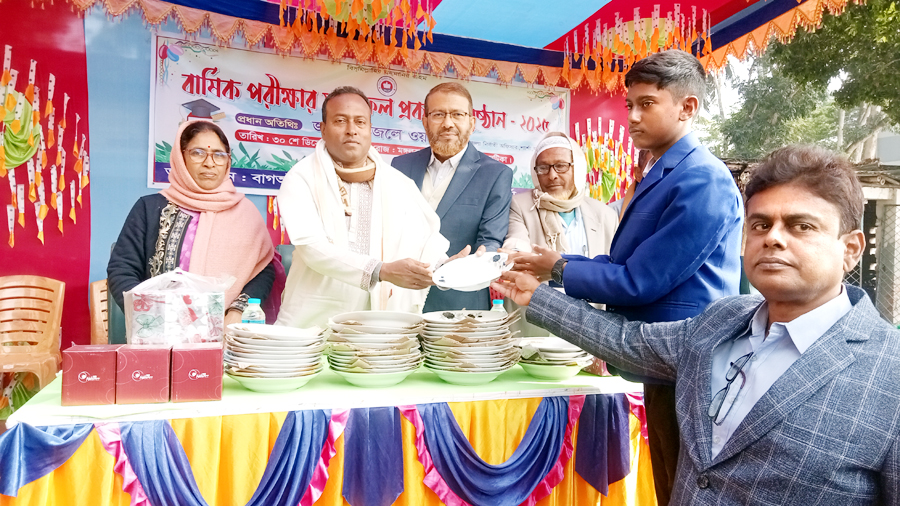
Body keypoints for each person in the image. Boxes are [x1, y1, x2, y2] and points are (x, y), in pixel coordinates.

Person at [494, 144, 900, 505]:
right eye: (760, 225)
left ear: (850, 250)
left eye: (801, 226)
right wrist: (537, 296)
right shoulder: (724, 321)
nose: (773, 238)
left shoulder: (889, 372)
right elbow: (626, 340)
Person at [507, 49, 744, 504]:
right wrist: (552, 263)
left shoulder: (701, 180)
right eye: (628, 105)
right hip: (661, 362)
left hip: (689, 364)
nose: (632, 117)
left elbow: (640, 281)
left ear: (687, 107)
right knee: (669, 483)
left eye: (647, 104)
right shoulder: (663, 171)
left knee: (687, 489)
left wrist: (556, 269)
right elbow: (621, 266)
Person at [276, 86, 454, 329]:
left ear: (370, 129)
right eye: (340, 121)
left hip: (378, 326)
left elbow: (425, 241)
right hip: (313, 321)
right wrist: (381, 271)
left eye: (360, 122)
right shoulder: (302, 177)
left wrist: (446, 268)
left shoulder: (399, 183)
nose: (352, 130)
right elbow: (311, 247)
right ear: (323, 129)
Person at [108, 120, 276, 327]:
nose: (209, 163)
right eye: (198, 153)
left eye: (219, 154)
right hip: (160, 332)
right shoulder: (149, 209)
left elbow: (263, 270)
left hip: (227, 331)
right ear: (181, 157)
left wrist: (238, 310)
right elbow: (122, 270)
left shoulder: (247, 213)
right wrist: (151, 315)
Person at [392, 82, 513, 312]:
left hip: (460, 306)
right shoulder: (400, 166)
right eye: (438, 114)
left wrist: (469, 264)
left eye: (457, 114)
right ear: (425, 120)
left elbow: (490, 241)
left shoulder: (496, 174)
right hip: (399, 299)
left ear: (472, 122)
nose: (448, 123)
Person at [502, 131, 618, 336]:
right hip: (537, 324)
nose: (552, 175)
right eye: (543, 167)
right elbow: (516, 241)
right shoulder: (520, 205)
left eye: (561, 166)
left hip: (589, 326)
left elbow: (613, 270)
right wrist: (514, 252)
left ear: (578, 168)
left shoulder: (605, 215)